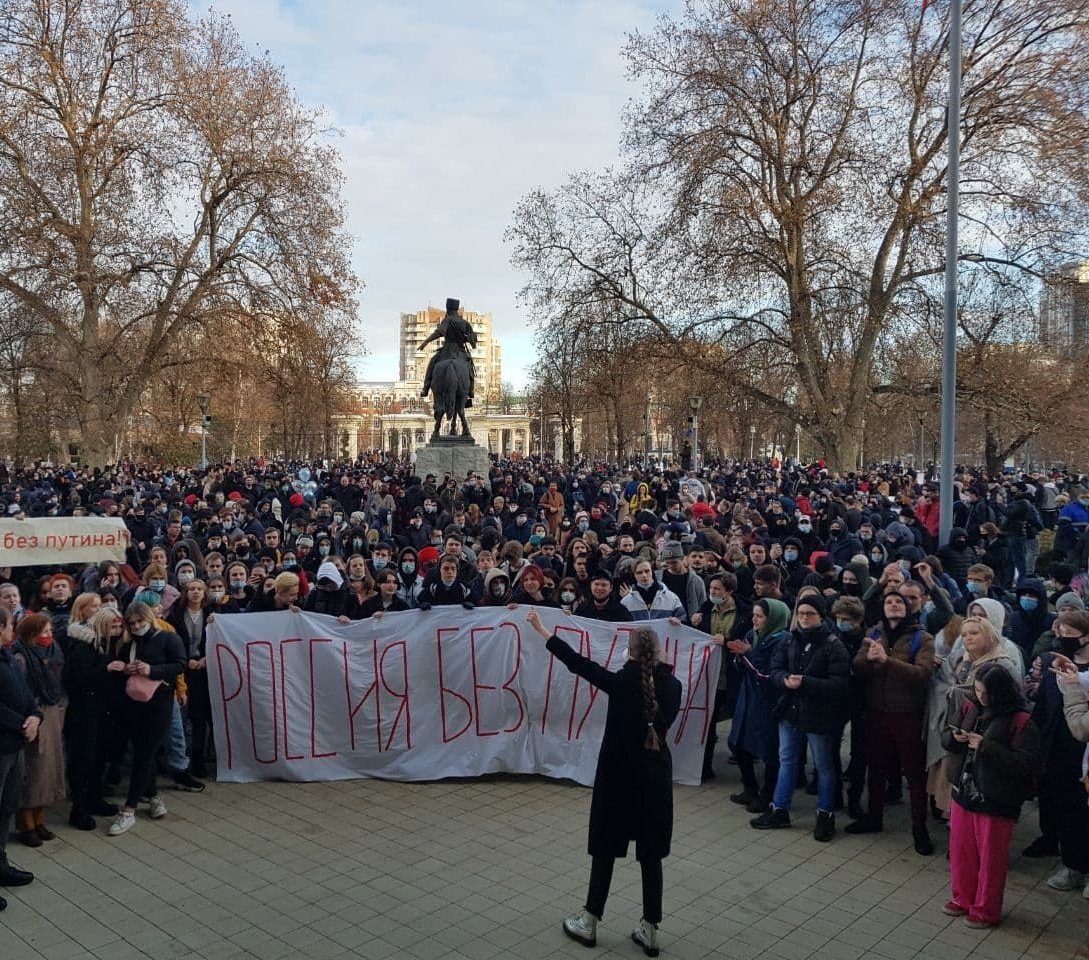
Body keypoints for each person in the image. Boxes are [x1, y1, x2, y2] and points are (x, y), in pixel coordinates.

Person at [525, 608, 681, 958]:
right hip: (654, 778)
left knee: (605, 850)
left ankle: (590, 919)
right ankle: (651, 928)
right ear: (659, 652)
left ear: (629, 652)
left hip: (617, 777)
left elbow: (578, 663)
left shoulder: (621, 682)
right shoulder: (674, 686)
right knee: (651, 855)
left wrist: (541, 629)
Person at [942, 664, 1040, 928]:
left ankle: (986, 909)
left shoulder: (1021, 721)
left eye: (986, 693)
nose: (981, 696)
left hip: (996, 799)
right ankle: (962, 898)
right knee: (961, 850)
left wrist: (985, 746)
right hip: (963, 789)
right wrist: (954, 738)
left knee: (991, 858)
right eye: (977, 690)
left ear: (1000, 692)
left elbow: (1026, 765)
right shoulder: (969, 706)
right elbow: (945, 736)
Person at [750, 595, 850, 841]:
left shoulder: (833, 645)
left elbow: (839, 684)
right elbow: (774, 668)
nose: (804, 618)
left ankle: (825, 814)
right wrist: (783, 679)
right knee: (787, 761)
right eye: (801, 613)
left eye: (810, 614)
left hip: (818, 714)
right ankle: (779, 809)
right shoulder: (789, 639)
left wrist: (806, 683)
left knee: (823, 765)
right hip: (791, 712)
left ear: (821, 616)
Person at [847, 590, 936, 855]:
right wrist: (871, 660)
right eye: (889, 602)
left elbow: (922, 674)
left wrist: (888, 662)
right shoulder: (874, 634)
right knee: (876, 769)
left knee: (914, 774)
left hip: (907, 714)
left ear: (908, 608)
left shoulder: (923, 637)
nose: (894, 605)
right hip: (877, 712)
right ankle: (874, 818)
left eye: (899, 601)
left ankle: (919, 829)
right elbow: (858, 665)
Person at [106, 601, 186, 837]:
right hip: (133, 704)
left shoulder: (168, 638)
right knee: (142, 751)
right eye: (132, 623)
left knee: (145, 753)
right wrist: (125, 669)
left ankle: (129, 809)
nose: (137, 626)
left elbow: (179, 665)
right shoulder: (130, 642)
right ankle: (151, 797)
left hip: (159, 705)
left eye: (140, 621)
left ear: (148, 618)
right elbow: (122, 670)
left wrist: (152, 670)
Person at [727, 598, 792, 813]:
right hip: (748, 698)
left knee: (769, 750)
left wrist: (747, 655)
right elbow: (742, 667)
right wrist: (739, 658)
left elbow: (767, 674)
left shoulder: (783, 641)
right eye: (754, 615)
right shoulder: (751, 635)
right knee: (737, 743)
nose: (754, 620)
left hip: (768, 702)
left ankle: (768, 794)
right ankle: (750, 788)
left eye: (760, 616)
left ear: (772, 618)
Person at [62, 607, 124, 829]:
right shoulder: (83, 647)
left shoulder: (112, 645)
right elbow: (75, 680)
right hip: (85, 712)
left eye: (119, 626)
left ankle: (95, 798)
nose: (117, 630)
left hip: (105, 711)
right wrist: (105, 669)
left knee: (100, 757)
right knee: (83, 760)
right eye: (113, 626)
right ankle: (78, 808)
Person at [11, 614, 67, 847]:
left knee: (49, 771)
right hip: (32, 716)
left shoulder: (55, 650)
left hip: (53, 712)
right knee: (32, 773)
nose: (48, 636)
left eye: (49, 630)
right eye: (43, 632)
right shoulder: (21, 657)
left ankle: (40, 819)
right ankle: (27, 824)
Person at [0, 607, 40, 907]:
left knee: (7, 806)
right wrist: (21, 724)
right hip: (5, 742)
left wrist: (35, 716)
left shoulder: (8, 656)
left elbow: (25, 694)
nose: (12, 629)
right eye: (9, 625)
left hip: (14, 745)